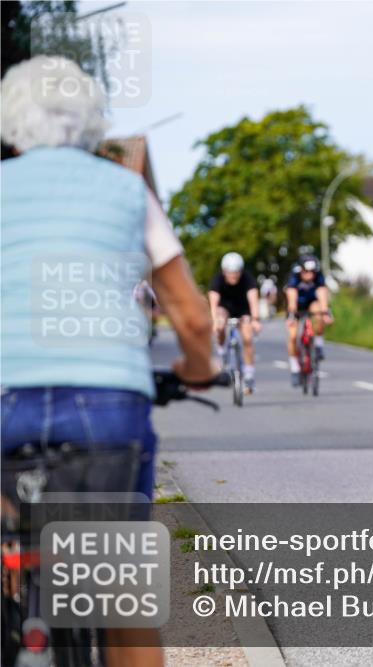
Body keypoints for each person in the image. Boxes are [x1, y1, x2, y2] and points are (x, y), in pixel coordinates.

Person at [0, 55, 216, 667]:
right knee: (123, 606)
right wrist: (196, 370)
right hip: (107, 412)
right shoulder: (126, 189)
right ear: (93, 122)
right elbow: (193, 319)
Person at [208, 252, 262, 392]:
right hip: (224, 308)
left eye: (236, 273)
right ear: (224, 271)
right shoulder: (217, 279)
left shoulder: (247, 279)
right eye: (230, 273)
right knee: (219, 322)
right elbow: (213, 303)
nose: (233, 276)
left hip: (243, 309)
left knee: (248, 337)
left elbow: (253, 299)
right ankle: (222, 351)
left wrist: (255, 319)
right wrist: (215, 323)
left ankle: (249, 376)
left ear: (241, 271)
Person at [285, 256, 333, 385]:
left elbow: (322, 293)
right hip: (296, 305)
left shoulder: (318, 276)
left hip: (312, 303)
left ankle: (318, 343)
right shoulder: (294, 276)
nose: (309, 275)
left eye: (312, 272)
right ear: (301, 270)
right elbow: (291, 295)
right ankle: (295, 367)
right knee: (292, 335)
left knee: (319, 314)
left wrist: (325, 312)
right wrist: (292, 315)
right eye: (306, 272)